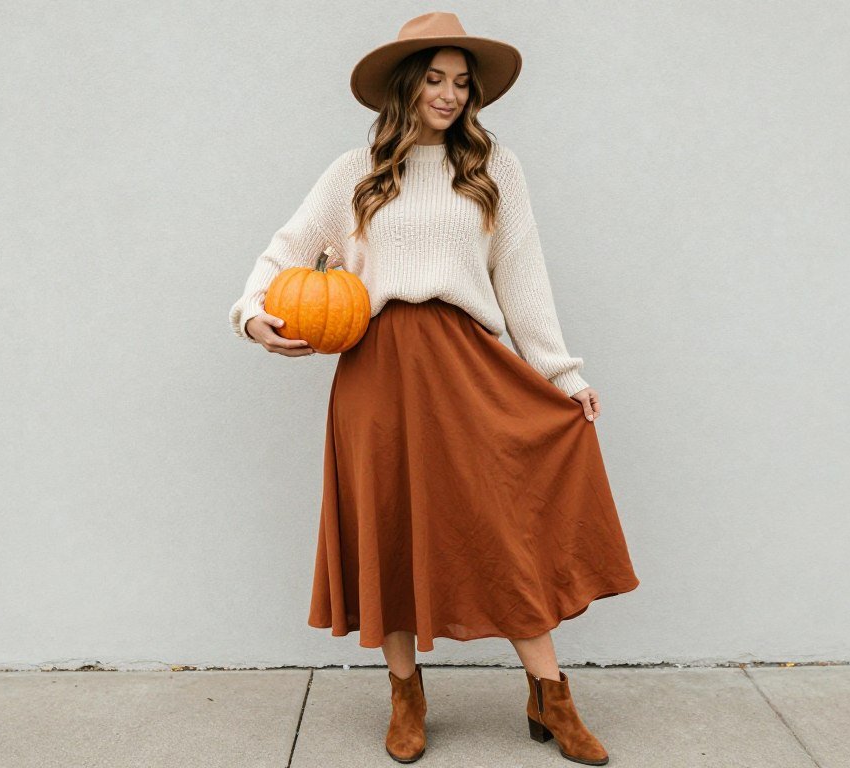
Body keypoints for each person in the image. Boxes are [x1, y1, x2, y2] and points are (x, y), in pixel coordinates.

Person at [228, 11, 639, 766]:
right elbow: (282, 255)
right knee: (388, 524)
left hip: (465, 365)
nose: (449, 94)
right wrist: (254, 317)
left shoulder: (493, 168)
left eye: (461, 82)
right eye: (435, 79)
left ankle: (550, 695)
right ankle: (406, 695)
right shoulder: (354, 172)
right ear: (406, 86)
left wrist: (562, 373)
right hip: (377, 373)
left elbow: (522, 276)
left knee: (499, 523)